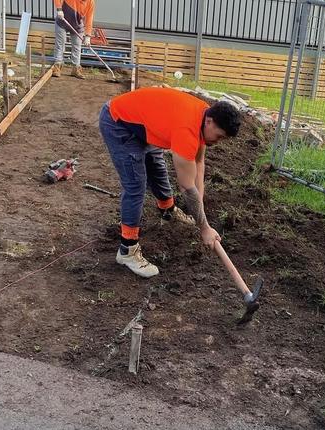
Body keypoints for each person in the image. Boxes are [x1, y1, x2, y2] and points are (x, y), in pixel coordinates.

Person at [99, 86, 241, 278]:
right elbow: (186, 186)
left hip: (144, 122)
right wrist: (205, 228)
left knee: (156, 165)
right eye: (219, 136)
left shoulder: (204, 115)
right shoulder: (187, 131)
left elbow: (198, 163)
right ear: (209, 121)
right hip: (119, 122)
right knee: (135, 185)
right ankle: (127, 250)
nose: (219, 141)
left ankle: (168, 211)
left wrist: (200, 209)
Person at [51, 0, 95, 79]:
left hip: (77, 25)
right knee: (60, 44)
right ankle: (57, 66)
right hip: (62, 21)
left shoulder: (90, 2)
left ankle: (76, 69)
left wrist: (88, 36)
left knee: (77, 46)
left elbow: (89, 18)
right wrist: (59, 9)